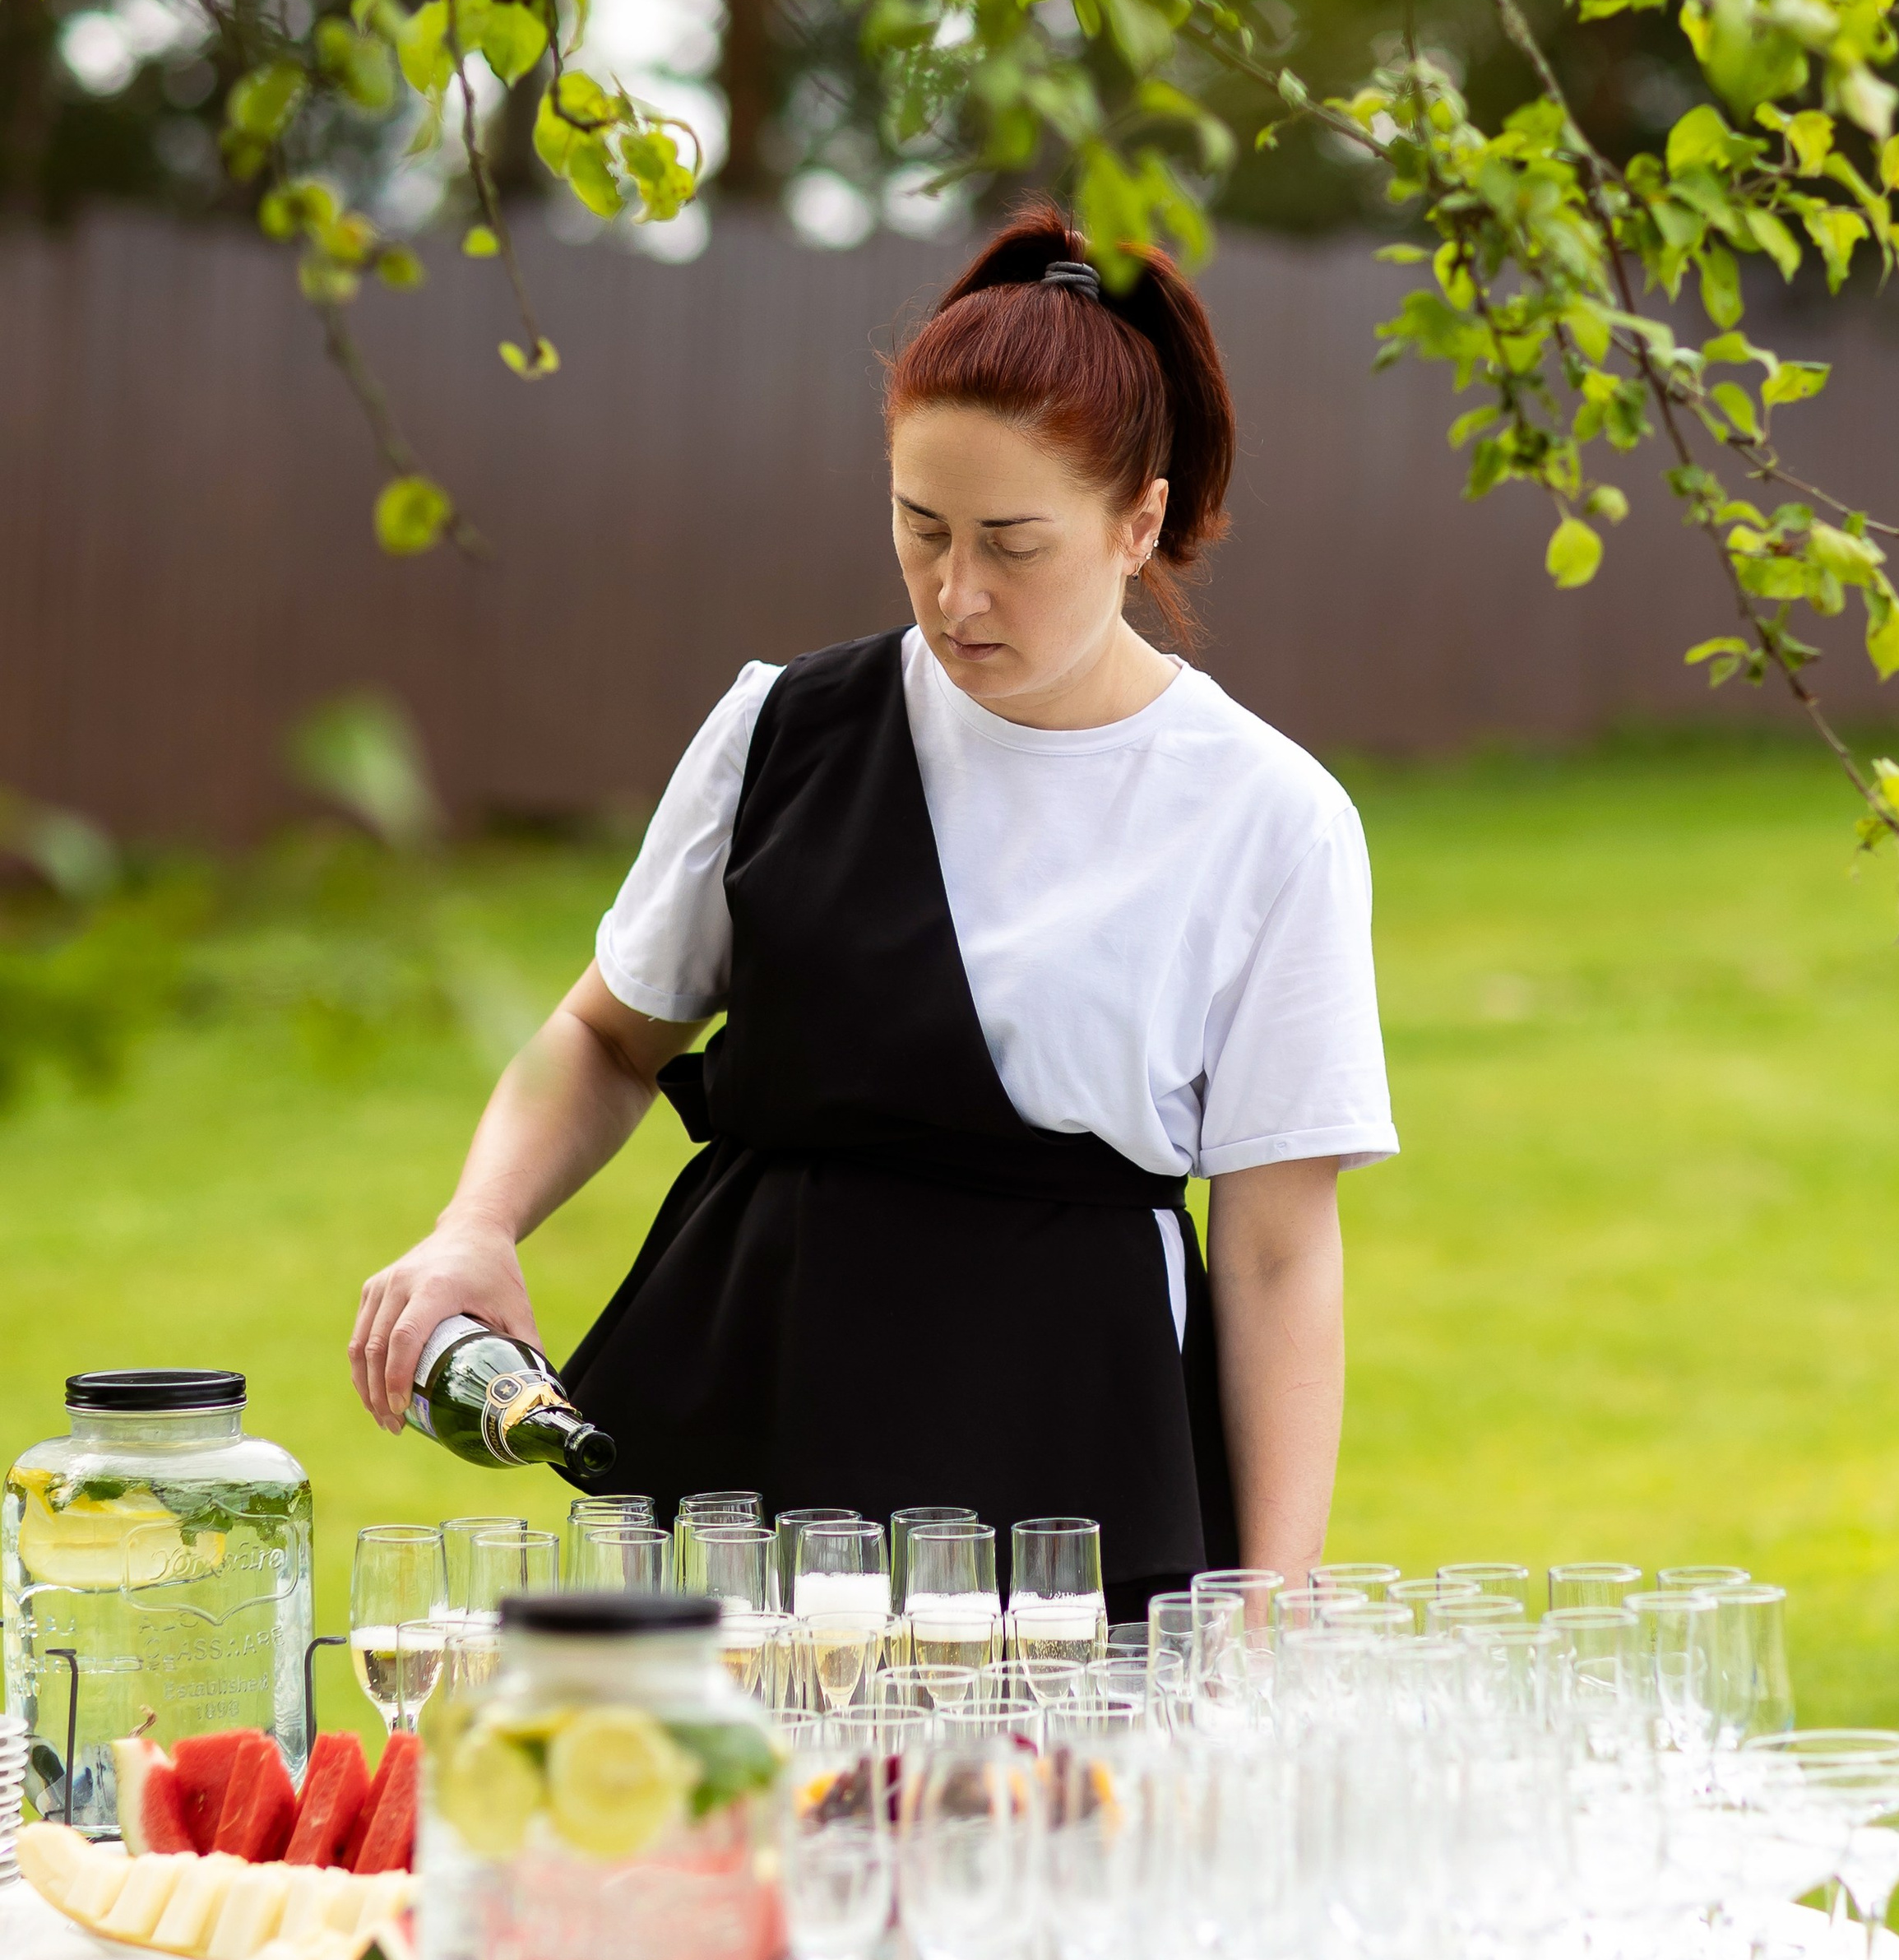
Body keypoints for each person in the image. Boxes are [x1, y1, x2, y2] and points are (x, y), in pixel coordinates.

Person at [350, 206, 1396, 1613]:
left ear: (1139, 522)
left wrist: (1267, 1598)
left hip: (1069, 1462)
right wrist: (480, 1221)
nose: (957, 592)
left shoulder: (1268, 817)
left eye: (1013, 544)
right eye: (921, 528)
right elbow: (608, 1040)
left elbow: (1276, 1249)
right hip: (752, 1431)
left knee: (1044, 1833)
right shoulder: (783, 728)